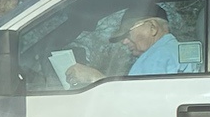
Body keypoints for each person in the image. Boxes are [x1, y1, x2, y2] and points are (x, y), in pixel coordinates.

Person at [65, 10, 198, 85]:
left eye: (128, 33)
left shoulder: (156, 58)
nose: (124, 42)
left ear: (152, 28)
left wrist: (95, 79)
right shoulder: (174, 51)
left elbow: (133, 105)